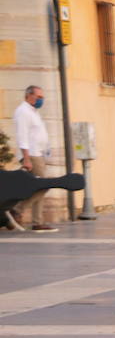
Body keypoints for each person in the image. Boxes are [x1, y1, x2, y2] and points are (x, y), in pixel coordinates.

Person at [12, 85, 56, 232]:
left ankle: (38, 222)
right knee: (43, 185)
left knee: (39, 186)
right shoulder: (23, 112)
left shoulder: (33, 112)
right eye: (38, 97)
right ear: (29, 95)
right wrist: (26, 158)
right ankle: (17, 209)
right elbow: (22, 136)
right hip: (31, 155)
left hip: (38, 154)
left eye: (42, 97)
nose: (40, 100)